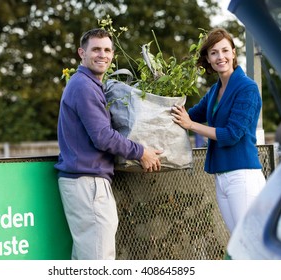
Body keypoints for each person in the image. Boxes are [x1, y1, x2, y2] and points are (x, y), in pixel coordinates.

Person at [55, 28, 162, 260]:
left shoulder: (88, 84)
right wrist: (141, 152)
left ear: (113, 55)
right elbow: (102, 136)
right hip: (87, 182)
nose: (102, 54)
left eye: (106, 50)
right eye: (96, 49)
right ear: (81, 53)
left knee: (88, 259)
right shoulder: (84, 86)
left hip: (86, 181)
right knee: (98, 261)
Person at [171, 28, 266, 234]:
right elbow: (190, 115)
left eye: (224, 50)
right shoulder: (215, 90)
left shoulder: (246, 88)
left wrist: (191, 126)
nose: (220, 57)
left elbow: (232, 134)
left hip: (243, 175)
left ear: (233, 53)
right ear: (208, 58)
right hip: (221, 176)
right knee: (238, 242)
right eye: (214, 52)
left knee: (248, 244)